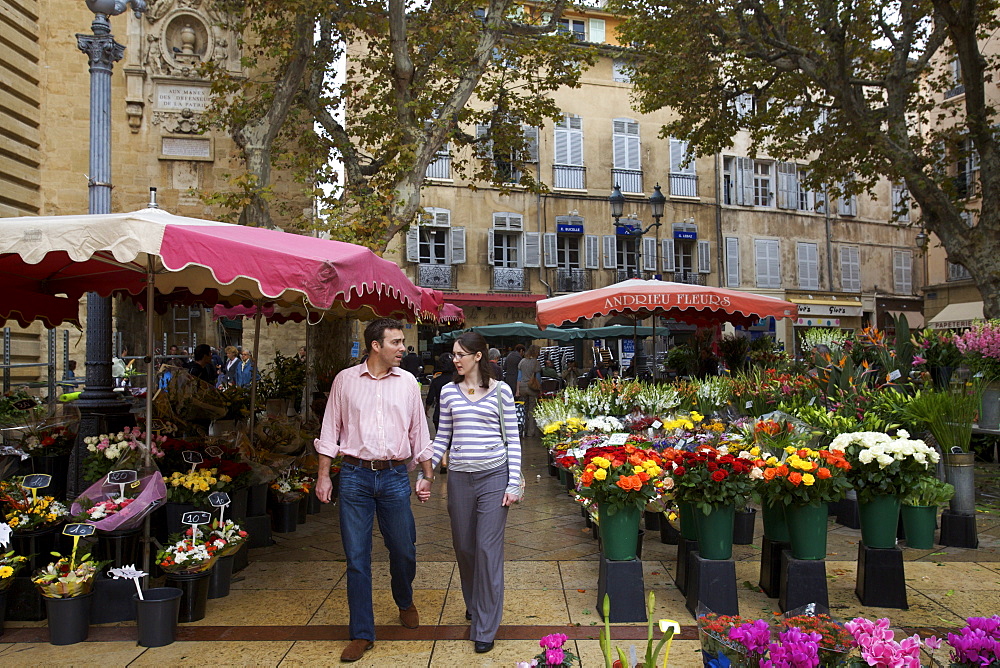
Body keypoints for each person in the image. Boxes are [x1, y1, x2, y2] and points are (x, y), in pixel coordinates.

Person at [314, 318, 434, 663]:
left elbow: (419, 432)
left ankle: (404, 598)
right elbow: (329, 432)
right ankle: (362, 632)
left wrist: (426, 474)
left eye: (402, 342)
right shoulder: (345, 381)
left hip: (396, 476)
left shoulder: (408, 382)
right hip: (354, 476)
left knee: (403, 549)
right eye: (395, 342)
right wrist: (324, 477)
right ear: (375, 346)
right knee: (357, 558)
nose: (402, 348)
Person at [426, 331, 521, 655]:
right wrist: (427, 471)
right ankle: (474, 602)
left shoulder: (502, 392)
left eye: (460, 354)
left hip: (494, 477)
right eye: (453, 354)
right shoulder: (450, 393)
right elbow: (443, 438)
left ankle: (485, 625)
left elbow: (514, 439)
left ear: (477, 356)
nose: (455, 359)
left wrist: (512, 483)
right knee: (465, 548)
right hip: (459, 480)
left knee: (486, 550)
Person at [516, 344, 541, 437]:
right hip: (532, 388)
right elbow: (538, 378)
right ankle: (531, 432)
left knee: (523, 410)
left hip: (522, 387)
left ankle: (523, 430)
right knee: (532, 410)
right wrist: (540, 387)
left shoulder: (522, 361)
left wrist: (517, 390)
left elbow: (518, 378)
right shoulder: (536, 363)